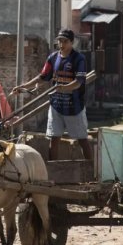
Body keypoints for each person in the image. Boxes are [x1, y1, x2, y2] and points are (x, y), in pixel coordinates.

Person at [10, 29, 92, 161]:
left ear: (72, 42)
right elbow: (42, 78)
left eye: (65, 41)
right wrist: (23, 86)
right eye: (59, 41)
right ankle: (53, 170)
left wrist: (63, 87)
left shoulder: (79, 59)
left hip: (74, 107)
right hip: (56, 106)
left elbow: (79, 82)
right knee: (54, 139)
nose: (61, 44)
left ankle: (89, 169)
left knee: (82, 139)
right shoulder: (53, 58)